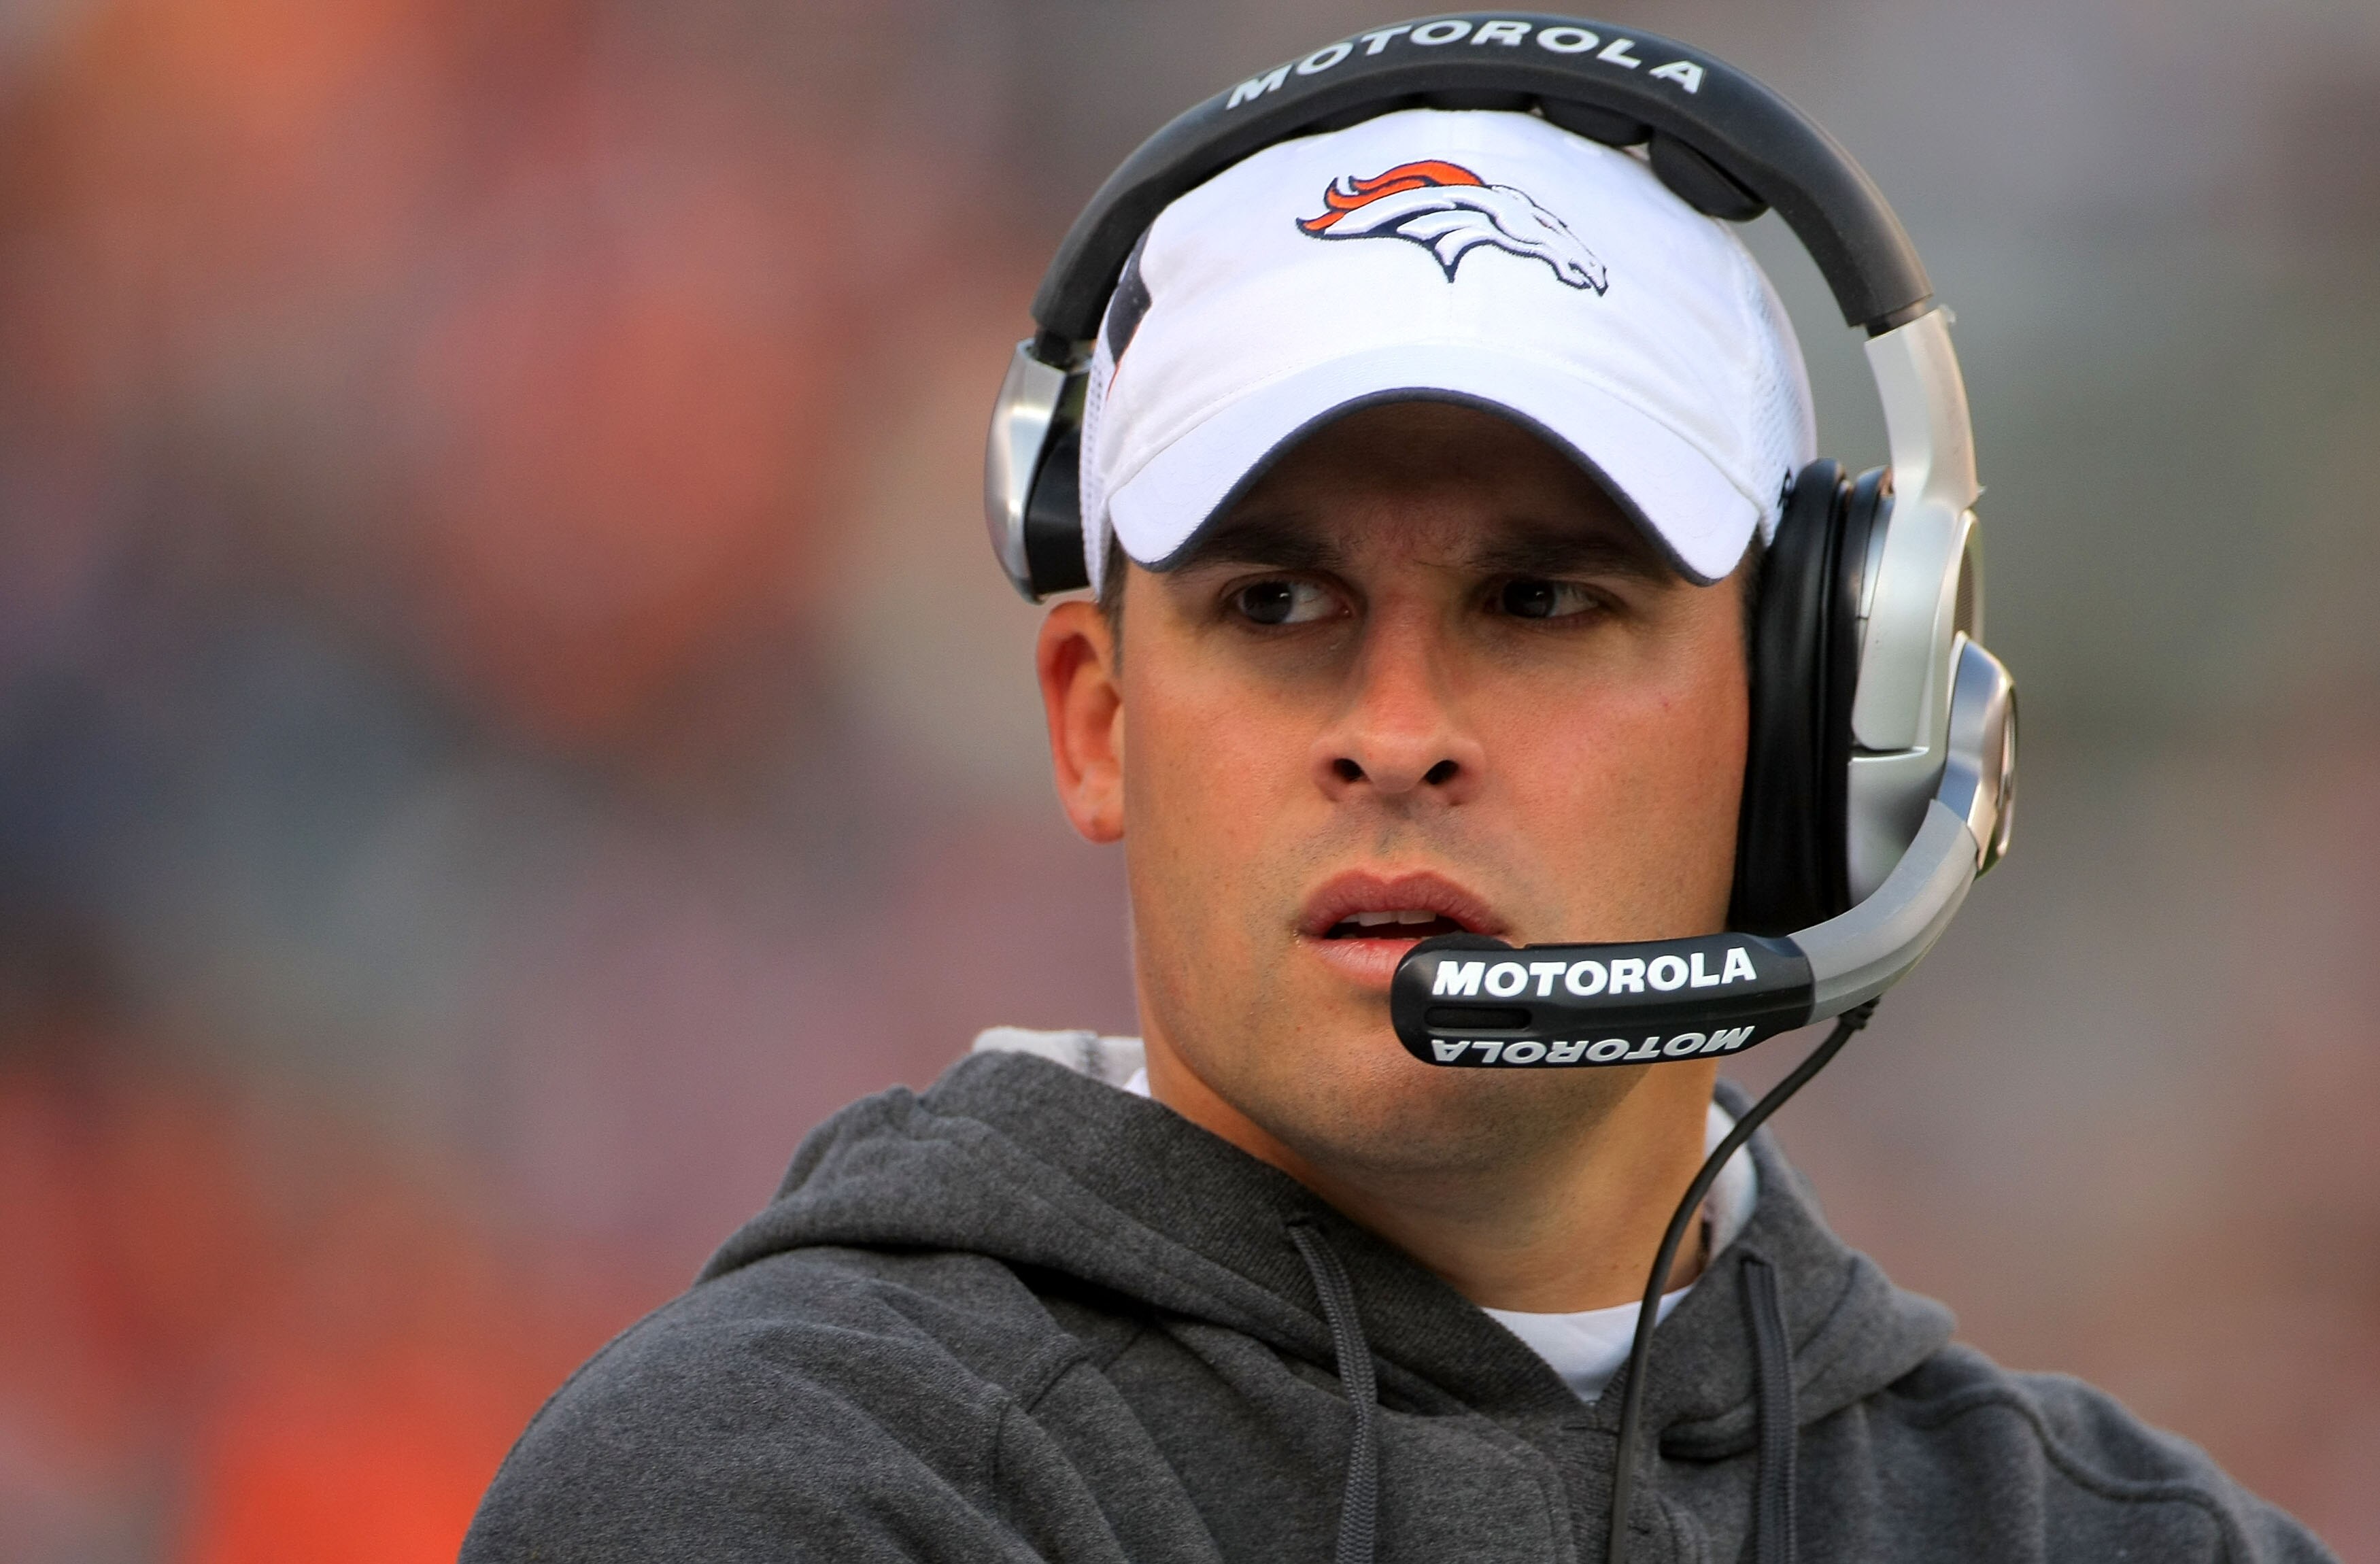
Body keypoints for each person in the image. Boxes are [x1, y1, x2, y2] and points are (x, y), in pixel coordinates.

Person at [462, 28, 2336, 1564]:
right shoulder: (772, 1489)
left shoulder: (2127, 1539)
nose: (1398, 729)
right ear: (1097, 722)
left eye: (1540, 601)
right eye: (1278, 604)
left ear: (1806, 707)